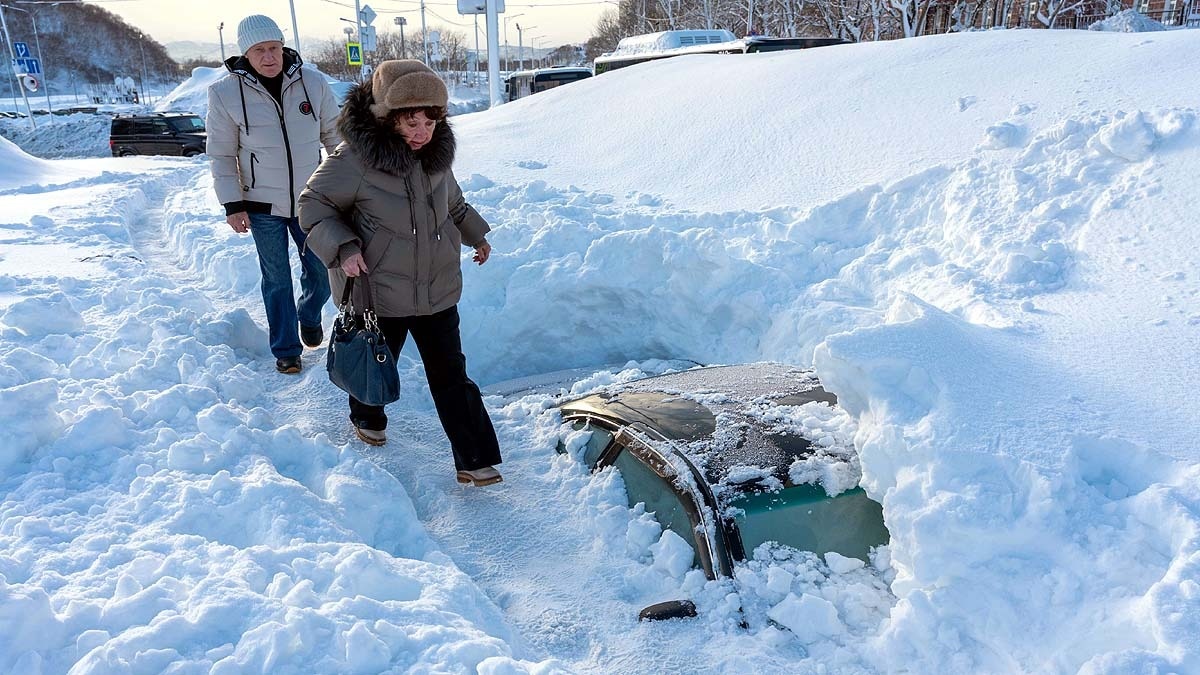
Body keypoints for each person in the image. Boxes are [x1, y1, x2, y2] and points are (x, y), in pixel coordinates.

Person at [298, 60, 503, 487]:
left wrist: (476, 236)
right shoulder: (352, 161)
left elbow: (454, 205)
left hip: (437, 288)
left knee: (451, 375)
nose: (422, 132)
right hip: (380, 291)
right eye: (411, 121)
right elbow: (312, 206)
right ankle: (367, 415)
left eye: (430, 121)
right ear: (385, 117)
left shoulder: (435, 158)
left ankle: (474, 459)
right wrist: (345, 247)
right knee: (375, 361)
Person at [206, 14, 341, 374]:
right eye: (260, 50)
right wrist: (232, 204)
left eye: (275, 48)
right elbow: (221, 153)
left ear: (284, 47)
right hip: (261, 204)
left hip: (311, 200)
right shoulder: (224, 94)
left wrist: (349, 185)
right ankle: (286, 349)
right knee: (276, 277)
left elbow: (336, 138)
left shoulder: (312, 83)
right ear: (245, 54)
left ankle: (309, 314)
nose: (269, 56)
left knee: (322, 269)